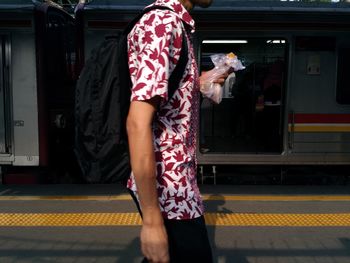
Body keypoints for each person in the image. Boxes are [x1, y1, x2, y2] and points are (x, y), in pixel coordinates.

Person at [126, 0, 226, 262]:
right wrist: (151, 222)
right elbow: (137, 122)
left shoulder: (176, 25)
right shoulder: (162, 24)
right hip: (168, 186)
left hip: (177, 178)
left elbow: (167, 101)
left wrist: (203, 82)